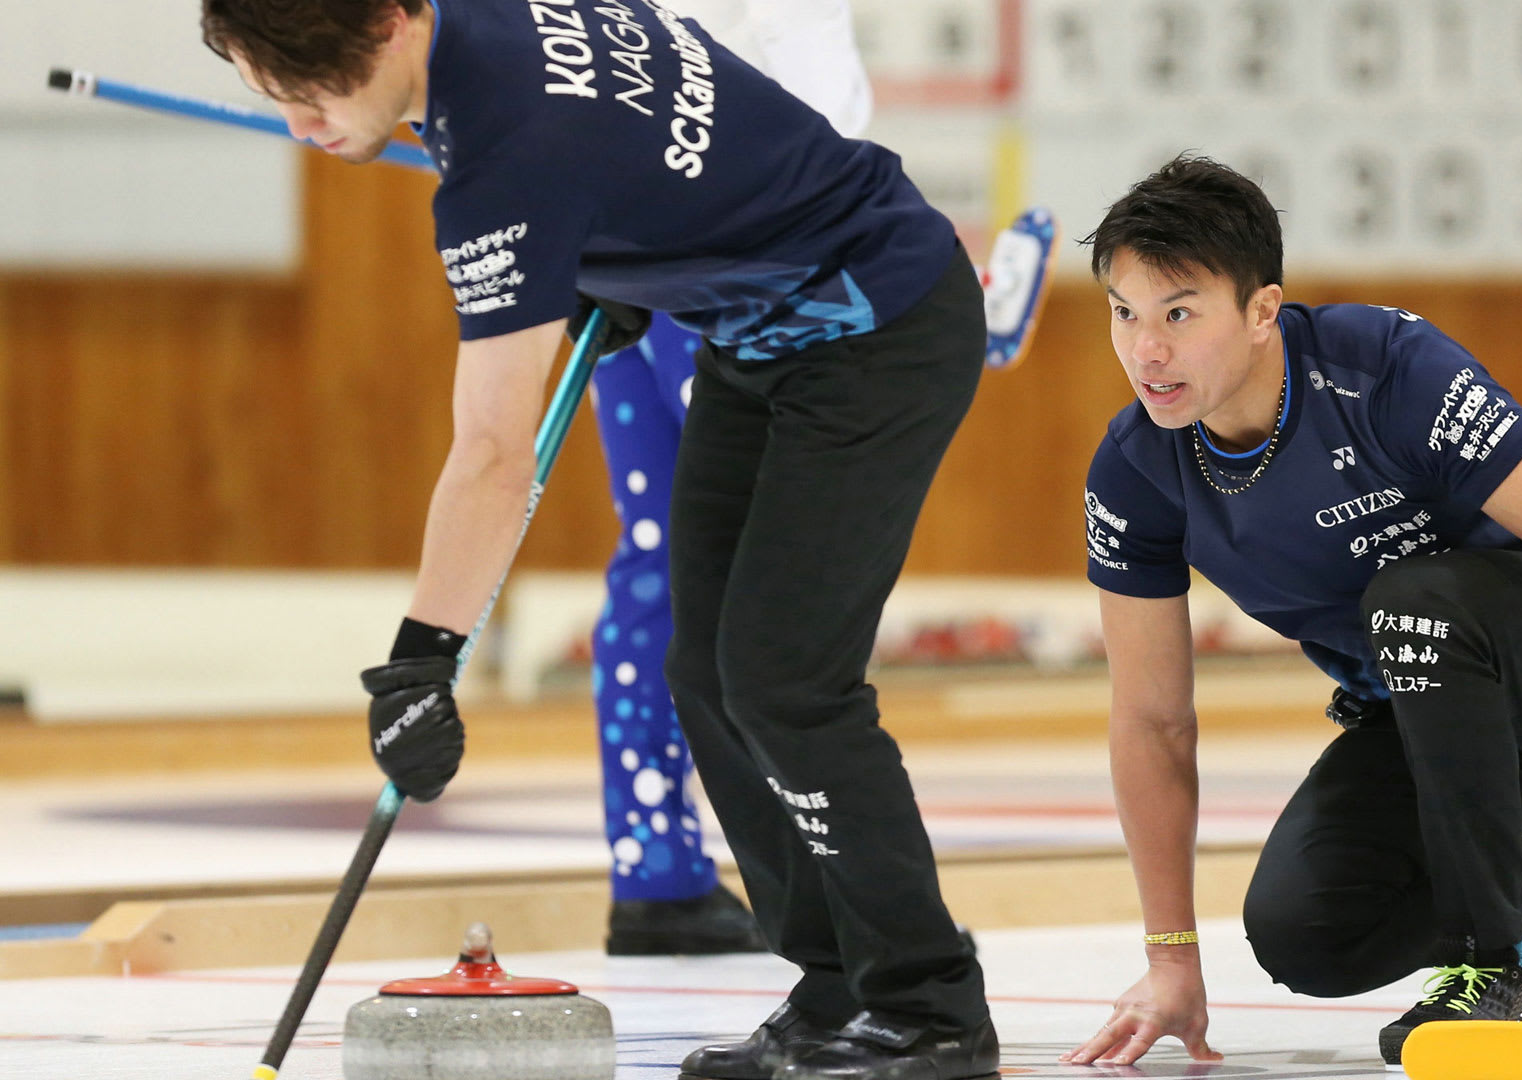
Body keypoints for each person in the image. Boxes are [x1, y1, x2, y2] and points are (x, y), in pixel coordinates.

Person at [198, 2, 998, 1077]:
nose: (300, 126)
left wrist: (420, 662)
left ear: (390, 26)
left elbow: (491, 453)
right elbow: (677, 86)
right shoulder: (491, 26)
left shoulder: (502, 158)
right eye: (275, 101)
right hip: (756, 337)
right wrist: (624, 250)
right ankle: (837, 987)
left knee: (784, 679)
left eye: (312, 96)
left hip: (875, 326)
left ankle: (930, 1008)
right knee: (706, 674)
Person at [1062, 156, 1522, 1068]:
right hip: (1433, 707)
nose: (1145, 349)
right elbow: (1153, 720)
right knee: (1308, 933)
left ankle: (1496, 967)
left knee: (1416, 598)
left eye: (1179, 314)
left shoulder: (1384, 368)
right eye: (1124, 314)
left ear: (1262, 311)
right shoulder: (1137, 472)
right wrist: (1171, 959)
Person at [586, 0, 1054, 957]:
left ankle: (656, 871)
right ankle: (742, 911)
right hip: (740, 266)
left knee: (666, 570)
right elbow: (813, 151)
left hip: (646, 251)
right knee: (727, 620)